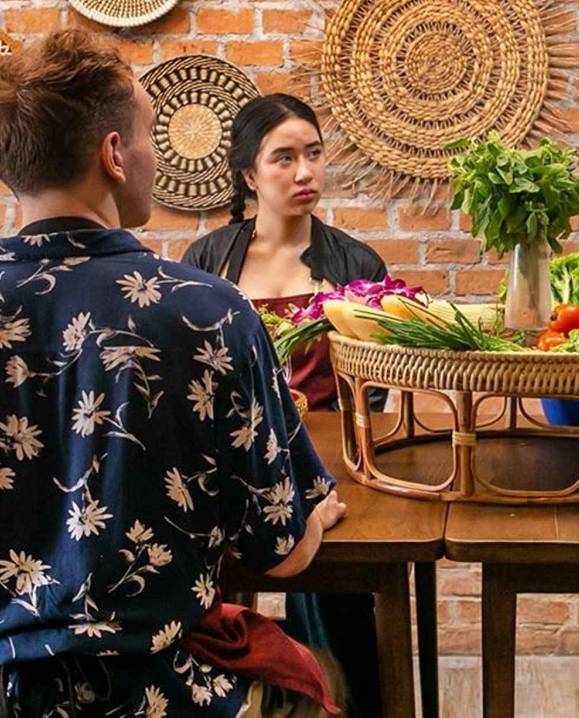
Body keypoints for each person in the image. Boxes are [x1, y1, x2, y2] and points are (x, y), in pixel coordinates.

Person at [0, 31, 347, 717]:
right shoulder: (212, 314)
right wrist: (316, 511)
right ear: (114, 154)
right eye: (149, 134)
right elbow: (284, 556)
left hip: (1, 701)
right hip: (176, 696)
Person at [183, 94, 388, 717]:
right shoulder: (207, 262)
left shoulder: (355, 263)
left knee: (336, 595)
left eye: (314, 154)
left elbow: (374, 386)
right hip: (232, 466)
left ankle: (346, 704)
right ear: (249, 175)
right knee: (204, 591)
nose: (305, 173)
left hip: (332, 464)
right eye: (284, 159)